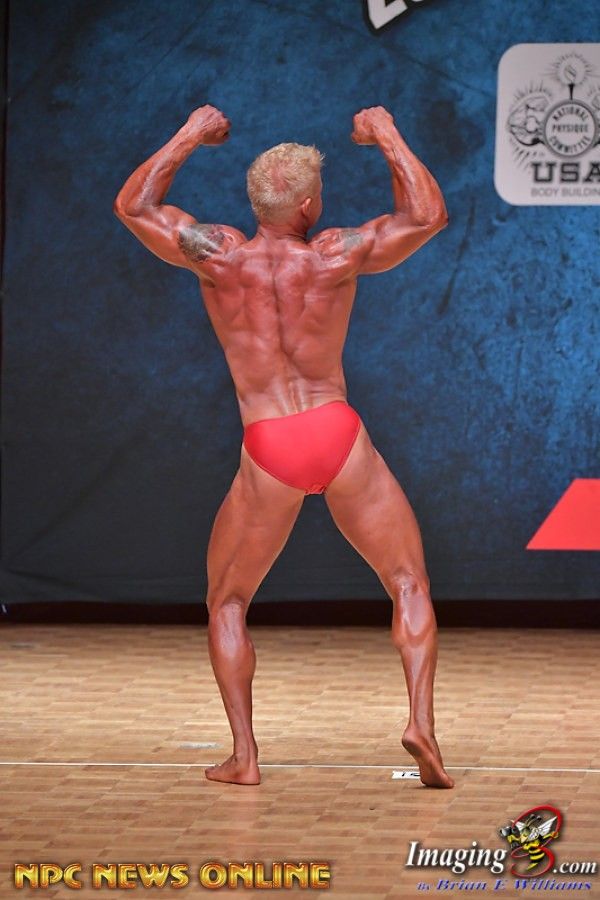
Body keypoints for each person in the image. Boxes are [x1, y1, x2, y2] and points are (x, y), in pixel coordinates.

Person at [114, 104, 453, 789]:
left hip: (269, 443)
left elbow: (133, 206)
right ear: (307, 205)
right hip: (336, 432)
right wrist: (386, 133)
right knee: (408, 581)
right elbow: (426, 216)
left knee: (228, 601)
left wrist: (190, 133)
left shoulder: (217, 254)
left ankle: (245, 756)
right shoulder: (334, 254)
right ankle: (422, 724)